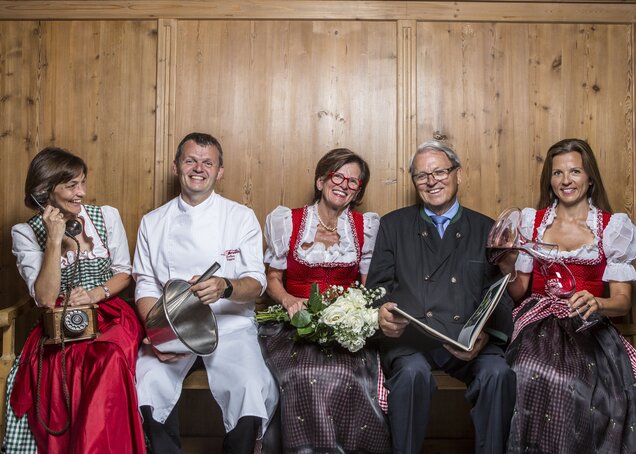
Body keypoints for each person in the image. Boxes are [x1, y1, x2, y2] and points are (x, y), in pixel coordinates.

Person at [366, 140, 516, 454]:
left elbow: (500, 293)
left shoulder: (486, 228)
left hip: (468, 342)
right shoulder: (393, 225)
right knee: (411, 375)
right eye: (422, 176)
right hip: (411, 341)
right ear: (414, 183)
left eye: (439, 172)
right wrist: (381, 315)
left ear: (458, 174)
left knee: (498, 374)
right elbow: (376, 290)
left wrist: (486, 337)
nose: (431, 181)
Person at [132, 132, 278, 454]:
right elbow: (145, 285)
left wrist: (226, 286)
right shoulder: (153, 222)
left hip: (230, 329)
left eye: (207, 162)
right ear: (176, 167)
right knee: (146, 385)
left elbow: (256, 281)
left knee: (250, 387)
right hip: (173, 330)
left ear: (219, 171)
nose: (199, 168)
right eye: (190, 160)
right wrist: (158, 334)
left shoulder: (240, 218)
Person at [496, 138, 636, 453]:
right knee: (526, 372)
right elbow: (518, 291)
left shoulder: (612, 227)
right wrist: (506, 263)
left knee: (580, 385)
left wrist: (598, 302)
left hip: (588, 326)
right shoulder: (532, 222)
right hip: (536, 324)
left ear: (590, 178)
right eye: (558, 173)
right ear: (550, 179)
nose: (566, 180)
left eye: (575, 171)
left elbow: (623, 301)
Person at [6, 147, 145, 452]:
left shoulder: (106, 216)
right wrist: (55, 239)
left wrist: (95, 294)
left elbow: (125, 273)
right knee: (63, 368)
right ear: (45, 190)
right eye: (71, 185)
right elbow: (44, 297)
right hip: (58, 320)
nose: (81, 192)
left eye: (82, 182)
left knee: (108, 358)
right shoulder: (26, 233)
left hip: (110, 312)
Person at [258, 148, 392, 453]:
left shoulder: (365, 228)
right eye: (338, 176)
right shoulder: (288, 222)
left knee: (348, 375)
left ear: (358, 191)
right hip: (294, 325)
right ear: (321, 181)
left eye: (353, 182)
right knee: (300, 374)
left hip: (346, 327)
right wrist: (289, 300)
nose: (344, 184)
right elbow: (273, 278)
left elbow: (368, 285)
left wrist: (359, 315)